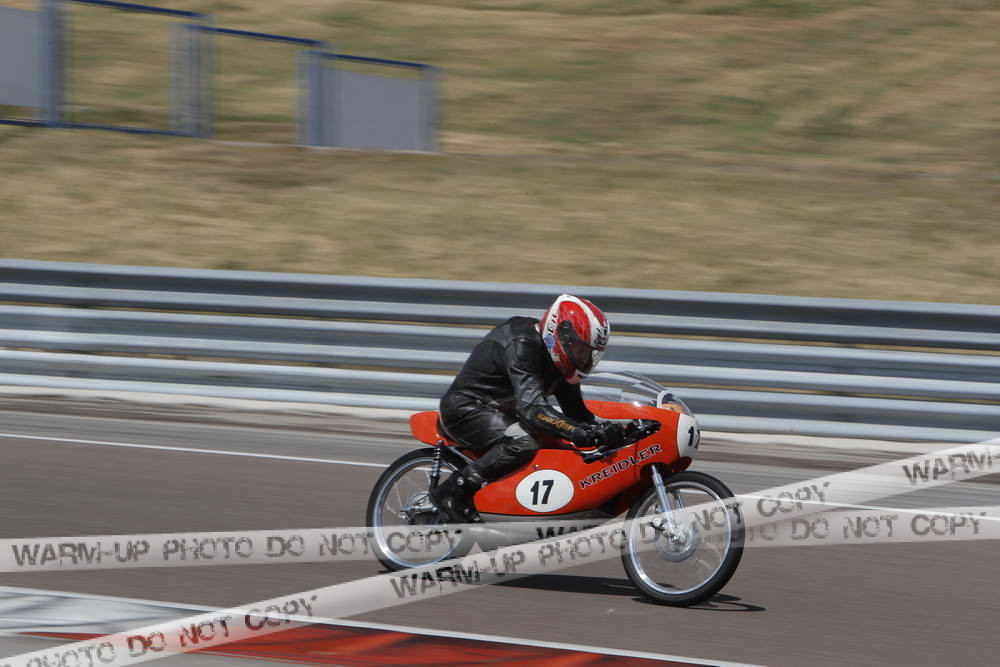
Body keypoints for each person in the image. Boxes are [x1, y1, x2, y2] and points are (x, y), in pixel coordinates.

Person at [429, 294, 627, 522]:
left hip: (501, 413)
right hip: (465, 408)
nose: (583, 359)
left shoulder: (562, 364)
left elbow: (577, 414)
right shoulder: (522, 343)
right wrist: (575, 431)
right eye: (580, 350)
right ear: (560, 334)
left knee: (562, 446)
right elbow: (533, 409)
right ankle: (454, 490)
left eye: (589, 354)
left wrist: (612, 431)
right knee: (524, 441)